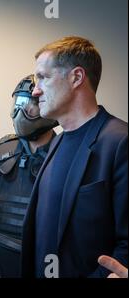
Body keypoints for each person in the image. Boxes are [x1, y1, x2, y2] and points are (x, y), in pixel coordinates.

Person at [20, 36, 128, 278]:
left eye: (43, 78)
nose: (35, 91)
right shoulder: (56, 141)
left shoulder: (120, 142)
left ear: (76, 77)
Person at [0, 75, 57, 278]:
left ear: (47, 107)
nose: (20, 113)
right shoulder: (5, 149)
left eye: (29, 106)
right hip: (3, 259)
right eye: (17, 105)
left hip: (45, 261)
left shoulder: (64, 151)